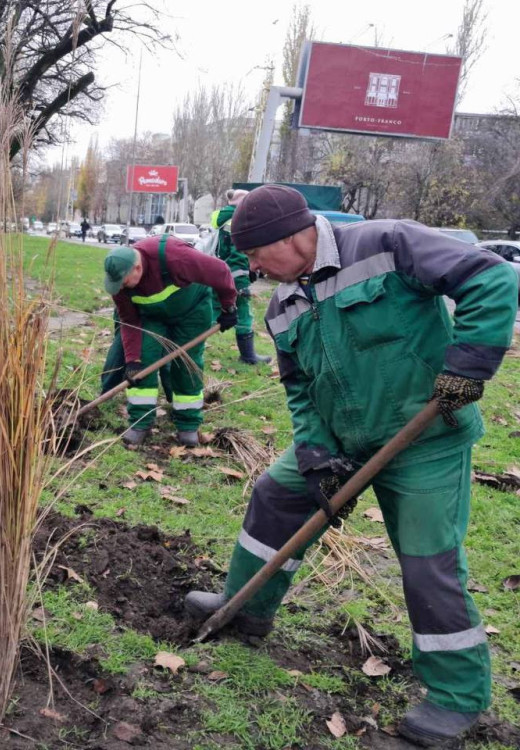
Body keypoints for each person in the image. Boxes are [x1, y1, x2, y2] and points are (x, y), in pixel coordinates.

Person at [182, 185, 519, 747]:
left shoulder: (388, 243)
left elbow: (493, 279)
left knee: (427, 562)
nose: (256, 270)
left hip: (425, 437)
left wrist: (469, 364)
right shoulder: (282, 306)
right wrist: (314, 451)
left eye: (259, 256)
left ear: (292, 238)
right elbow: (298, 387)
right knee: (276, 495)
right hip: (342, 437)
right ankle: (246, 607)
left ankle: (456, 697)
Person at [103, 234, 238, 447]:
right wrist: (132, 360)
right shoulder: (120, 287)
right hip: (152, 317)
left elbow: (220, 271)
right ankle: (140, 422)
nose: (120, 288)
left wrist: (228, 306)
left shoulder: (174, 256)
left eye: (123, 282)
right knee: (143, 362)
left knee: (186, 364)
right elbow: (129, 322)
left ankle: (188, 424)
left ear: (137, 268)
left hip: (192, 311)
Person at [212, 189, 271, 365]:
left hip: (220, 276)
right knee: (221, 314)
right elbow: (238, 258)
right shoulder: (237, 222)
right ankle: (247, 355)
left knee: (236, 313)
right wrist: (242, 285)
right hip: (230, 279)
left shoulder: (225, 219)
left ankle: (248, 355)